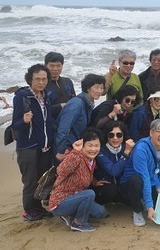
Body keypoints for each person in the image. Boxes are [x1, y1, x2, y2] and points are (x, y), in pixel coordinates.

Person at [12, 64, 54, 221]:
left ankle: (38, 208)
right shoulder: (22, 97)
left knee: (41, 179)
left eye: (44, 79)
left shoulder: (47, 96)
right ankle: (28, 211)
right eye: (37, 79)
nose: (41, 82)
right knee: (29, 180)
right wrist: (23, 120)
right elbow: (14, 125)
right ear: (30, 80)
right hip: (28, 147)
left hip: (44, 146)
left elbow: (48, 121)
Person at [50, 129, 108, 232]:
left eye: (96, 146)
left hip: (76, 198)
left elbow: (84, 175)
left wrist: (94, 181)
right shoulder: (76, 157)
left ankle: (68, 215)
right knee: (89, 193)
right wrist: (75, 151)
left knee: (101, 212)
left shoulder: (91, 161)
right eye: (90, 145)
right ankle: (78, 223)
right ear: (83, 146)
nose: (93, 149)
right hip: (60, 202)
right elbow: (61, 170)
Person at [120, 119, 160, 227]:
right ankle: (137, 210)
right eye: (159, 131)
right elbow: (145, 177)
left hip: (153, 182)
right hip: (132, 185)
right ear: (151, 132)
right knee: (136, 180)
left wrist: (159, 187)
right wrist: (149, 206)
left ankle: (146, 201)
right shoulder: (141, 148)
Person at [56, 74, 106, 162]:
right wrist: (61, 151)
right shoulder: (76, 104)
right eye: (97, 87)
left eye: (102, 88)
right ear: (88, 88)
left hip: (75, 146)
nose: (100, 91)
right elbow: (63, 129)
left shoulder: (88, 102)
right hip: (66, 148)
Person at [94, 121, 135, 205]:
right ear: (106, 136)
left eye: (119, 135)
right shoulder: (101, 151)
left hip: (122, 187)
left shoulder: (128, 147)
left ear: (124, 136)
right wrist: (126, 152)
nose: (115, 138)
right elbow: (114, 171)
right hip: (107, 187)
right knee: (111, 190)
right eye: (111, 135)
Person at [44, 51, 76, 119]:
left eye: (58, 66)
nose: (55, 69)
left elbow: (74, 100)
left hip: (68, 119)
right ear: (45, 66)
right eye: (52, 66)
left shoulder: (68, 82)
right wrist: (59, 106)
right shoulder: (42, 85)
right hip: (50, 121)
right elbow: (41, 110)